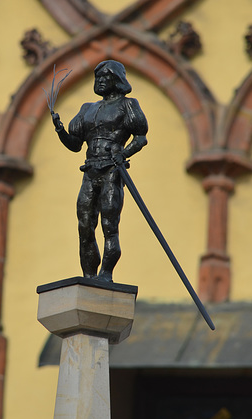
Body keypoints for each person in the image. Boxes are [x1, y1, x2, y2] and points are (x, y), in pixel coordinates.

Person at [51, 60, 148, 283]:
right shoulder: (88, 108)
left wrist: (123, 154)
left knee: (108, 224)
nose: (101, 81)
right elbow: (75, 144)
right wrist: (60, 130)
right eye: (98, 77)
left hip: (112, 170)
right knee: (85, 226)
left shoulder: (127, 105)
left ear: (117, 80)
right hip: (90, 169)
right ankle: (89, 276)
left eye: (106, 77)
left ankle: (106, 274)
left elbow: (140, 137)